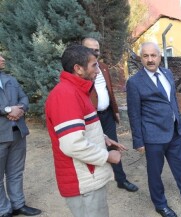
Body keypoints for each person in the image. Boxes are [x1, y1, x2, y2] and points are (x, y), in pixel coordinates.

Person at [126, 42, 181, 217]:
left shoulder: (167, 73)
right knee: (155, 173)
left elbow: (171, 101)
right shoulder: (134, 82)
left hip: (174, 131)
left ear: (159, 56)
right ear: (141, 59)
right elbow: (134, 114)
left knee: (180, 166)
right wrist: (138, 141)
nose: (150, 59)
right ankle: (160, 204)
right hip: (153, 135)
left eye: (153, 55)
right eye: (145, 56)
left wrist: (178, 121)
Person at [45, 45, 127, 217]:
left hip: (88, 177)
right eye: (94, 65)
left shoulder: (77, 91)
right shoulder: (66, 95)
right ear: (78, 69)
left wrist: (102, 137)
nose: (98, 70)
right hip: (83, 181)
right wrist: (107, 156)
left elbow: (81, 128)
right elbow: (72, 145)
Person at [82, 37, 139, 192]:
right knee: (92, 146)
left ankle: (121, 179)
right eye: (90, 49)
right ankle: (94, 181)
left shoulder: (104, 67)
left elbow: (109, 91)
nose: (95, 52)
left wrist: (115, 110)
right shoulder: (81, 71)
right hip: (90, 117)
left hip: (106, 115)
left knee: (113, 145)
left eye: (97, 49)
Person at [0, 54, 42, 217]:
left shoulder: (10, 79)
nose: (3, 58)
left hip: (17, 133)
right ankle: (3, 210)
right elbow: (6, 108)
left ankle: (18, 205)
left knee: (15, 172)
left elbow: (24, 97)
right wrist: (8, 110)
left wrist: (21, 108)